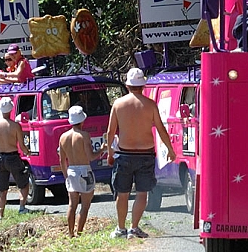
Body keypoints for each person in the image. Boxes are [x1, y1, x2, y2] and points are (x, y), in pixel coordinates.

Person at [106, 68, 176, 239]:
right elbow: (161, 130)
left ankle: (121, 228)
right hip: (145, 154)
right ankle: (134, 227)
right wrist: (170, 150)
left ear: (127, 85)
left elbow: (110, 132)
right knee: (142, 193)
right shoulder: (150, 105)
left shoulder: (118, 104)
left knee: (122, 193)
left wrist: (109, 152)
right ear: (143, 86)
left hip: (124, 153)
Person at [59, 105, 106, 237]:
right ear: (82, 120)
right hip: (84, 170)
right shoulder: (84, 135)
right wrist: (102, 149)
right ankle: (79, 233)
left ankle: (70, 233)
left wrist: (66, 176)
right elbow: (91, 156)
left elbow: (62, 161)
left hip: (71, 171)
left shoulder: (63, 137)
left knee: (72, 205)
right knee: (85, 206)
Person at [0, 96, 32, 219]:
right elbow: (22, 146)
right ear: (11, 109)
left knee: (2, 189)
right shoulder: (15, 126)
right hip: (13, 156)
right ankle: (22, 207)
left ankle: (0, 215)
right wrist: (28, 152)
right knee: (23, 183)